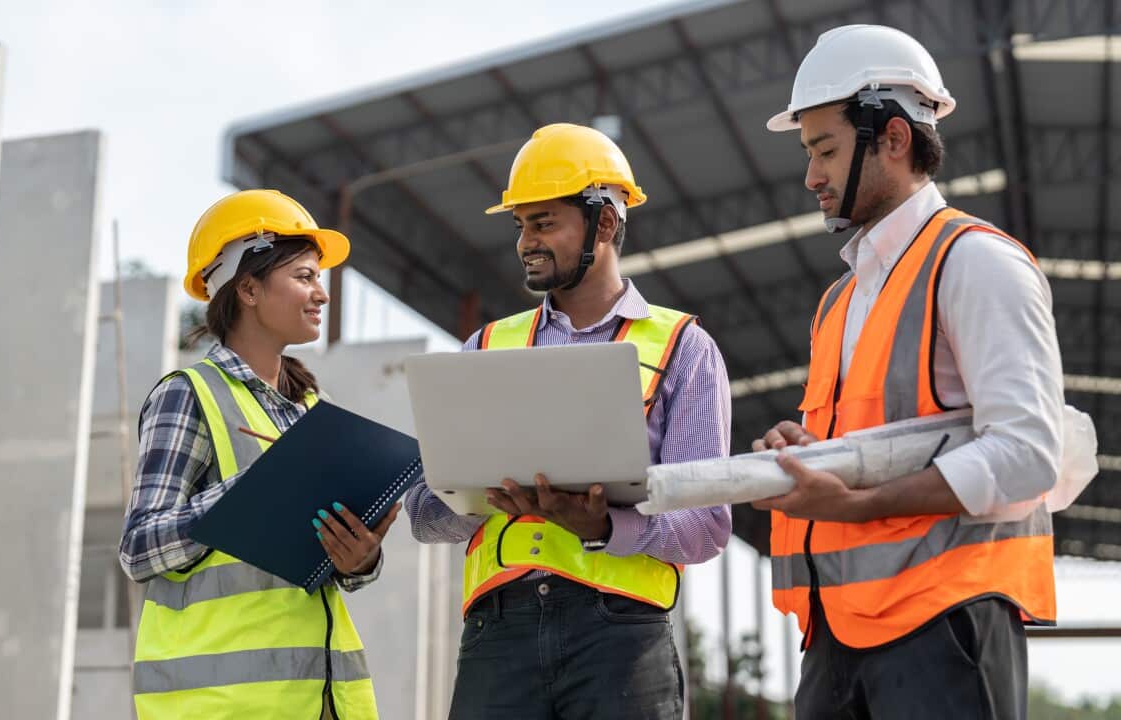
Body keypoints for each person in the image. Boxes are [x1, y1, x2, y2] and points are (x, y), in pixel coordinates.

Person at [753, 24, 1061, 719]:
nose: (812, 177)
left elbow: (1028, 453)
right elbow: (869, 439)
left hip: (944, 625)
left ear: (893, 138)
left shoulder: (976, 262)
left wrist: (856, 505)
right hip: (836, 636)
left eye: (825, 150)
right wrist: (808, 454)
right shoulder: (841, 298)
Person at [406, 123, 733, 720]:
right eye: (521, 225)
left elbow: (708, 522)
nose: (525, 241)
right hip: (497, 635)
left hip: (621, 635)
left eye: (544, 222)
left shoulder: (683, 349)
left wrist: (607, 525)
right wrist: (484, 497)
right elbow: (423, 514)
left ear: (604, 224)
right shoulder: (484, 347)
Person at [119, 189, 399, 719]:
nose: (322, 294)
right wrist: (250, 491)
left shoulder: (313, 410)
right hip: (227, 706)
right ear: (248, 288)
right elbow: (139, 548)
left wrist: (360, 558)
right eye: (305, 277)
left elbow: (322, 573)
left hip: (324, 703)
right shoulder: (188, 393)